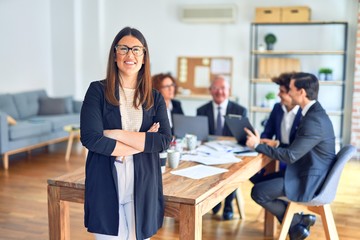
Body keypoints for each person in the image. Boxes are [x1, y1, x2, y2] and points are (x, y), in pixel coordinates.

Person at [80, 27, 172, 240]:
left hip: (143, 182)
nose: (130, 55)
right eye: (124, 48)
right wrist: (143, 141)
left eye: (136, 50)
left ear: (144, 56)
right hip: (105, 181)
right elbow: (91, 138)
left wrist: (114, 133)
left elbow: (164, 140)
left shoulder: (155, 97)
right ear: (115, 55)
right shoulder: (97, 91)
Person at [245, 72, 336, 240]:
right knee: (259, 180)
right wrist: (276, 144)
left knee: (258, 192)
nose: (288, 93)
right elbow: (297, 148)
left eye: (292, 89)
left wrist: (257, 145)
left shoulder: (313, 119)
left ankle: (297, 221)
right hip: (305, 171)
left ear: (301, 92)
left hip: (309, 180)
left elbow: (290, 156)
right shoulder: (313, 113)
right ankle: (297, 223)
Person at [197, 75, 247, 220]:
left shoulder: (240, 111)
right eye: (216, 88)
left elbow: (243, 138)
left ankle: (228, 205)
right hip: (208, 154)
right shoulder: (202, 110)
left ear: (229, 90)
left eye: (223, 88)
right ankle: (215, 201)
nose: (219, 92)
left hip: (231, 155)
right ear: (210, 90)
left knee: (232, 170)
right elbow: (200, 136)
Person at [250, 72, 302, 184]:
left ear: (292, 93)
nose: (278, 95)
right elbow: (267, 133)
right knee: (253, 174)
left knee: (265, 182)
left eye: (282, 91)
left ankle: (280, 196)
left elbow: (298, 148)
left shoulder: (304, 114)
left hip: (293, 159)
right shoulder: (277, 108)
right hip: (275, 154)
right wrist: (261, 142)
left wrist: (276, 144)